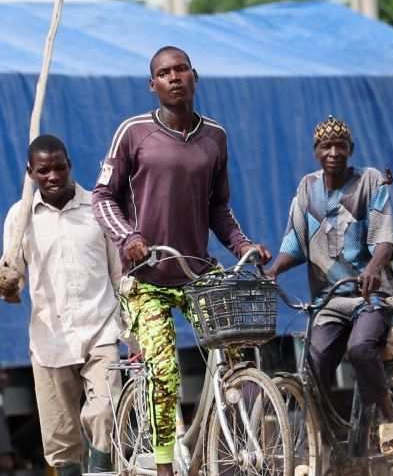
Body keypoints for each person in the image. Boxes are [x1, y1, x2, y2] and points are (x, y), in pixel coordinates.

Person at [92, 46, 269, 476]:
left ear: (195, 76)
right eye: (164, 73)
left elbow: (219, 209)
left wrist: (243, 246)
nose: (174, 78)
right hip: (146, 277)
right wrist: (128, 236)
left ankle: (237, 431)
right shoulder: (133, 133)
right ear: (152, 85)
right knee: (165, 371)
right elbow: (101, 197)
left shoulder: (215, 137)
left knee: (239, 344)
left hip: (196, 272)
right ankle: (167, 464)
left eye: (180, 70)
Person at [264, 116, 393, 455]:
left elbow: (384, 238)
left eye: (340, 146)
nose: (333, 153)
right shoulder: (306, 189)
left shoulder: (369, 181)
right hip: (327, 301)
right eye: (326, 147)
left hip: (369, 297)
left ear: (350, 150)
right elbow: (294, 244)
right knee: (312, 367)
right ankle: (322, 444)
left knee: (360, 349)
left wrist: (374, 268)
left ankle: (390, 417)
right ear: (316, 152)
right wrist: (273, 270)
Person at [0, 135, 122, 476]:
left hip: (101, 329)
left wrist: (134, 323)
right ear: (31, 173)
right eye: (43, 170)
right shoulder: (19, 217)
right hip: (49, 339)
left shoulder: (99, 208)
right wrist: (8, 286)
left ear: (70, 165)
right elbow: (13, 277)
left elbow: (118, 273)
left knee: (104, 413)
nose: (53, 176)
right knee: (60, 439)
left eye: (59, 168)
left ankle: (100, 469)